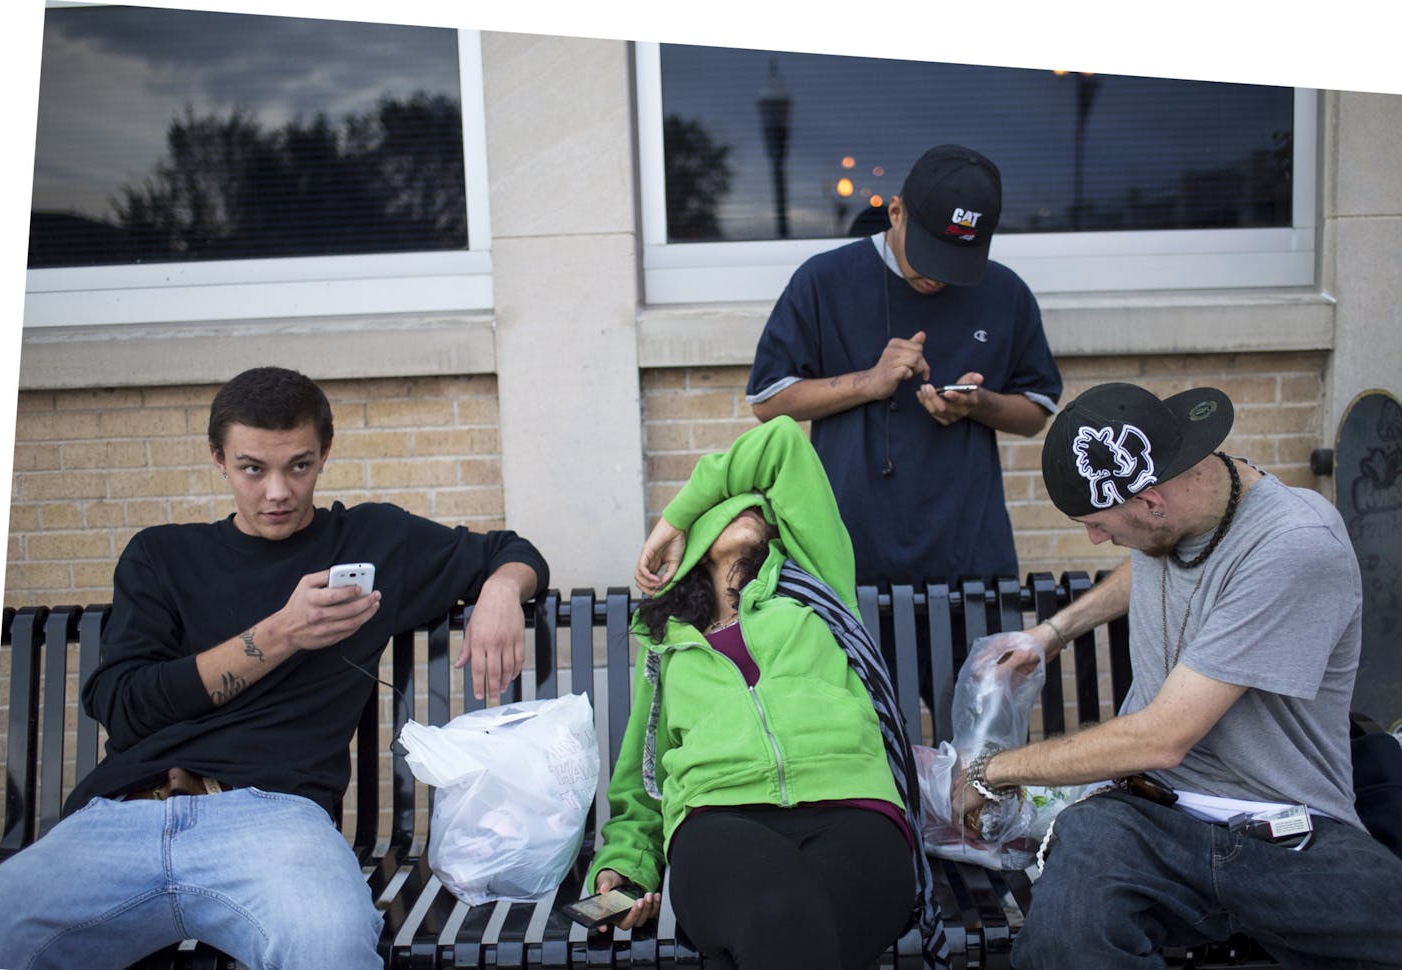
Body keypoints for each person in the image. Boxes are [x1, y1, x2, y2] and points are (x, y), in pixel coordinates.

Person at [0, 367, 549, 970]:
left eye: (298, 466)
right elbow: (123, 707)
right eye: (253, 468)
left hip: (275, 822)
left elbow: (512, 552)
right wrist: (281, 633)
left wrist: (501, 593)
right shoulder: (163, 555)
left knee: (331, 948)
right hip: (125, 815)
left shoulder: (372, 540)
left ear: (324, 455)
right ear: (219, 459)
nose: (277, 491)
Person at [952, 381, 1402, 969]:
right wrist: (1052, 633)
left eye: (1098, 523)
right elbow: (1149, 558)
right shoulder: (1179, 514)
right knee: (1066, 945)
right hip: (1142, 814)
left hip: (1289, 828)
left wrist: (992, 770)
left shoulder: (1295, 544)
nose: (1094, 537)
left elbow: (1162, 738)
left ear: (1154, 500)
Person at [587, 415, 950, 970]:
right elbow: (643, 779)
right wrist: (620, 868)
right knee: (784, 914)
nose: (753, 501)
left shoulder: (817, 583)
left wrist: (672, 516)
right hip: (719, 819)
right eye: (733, 500)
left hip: (853, 806)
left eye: (758, 500)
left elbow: (781, 443)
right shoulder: (668, 647)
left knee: (793, 929)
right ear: (698, 546)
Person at [746, 143, 1062, 590]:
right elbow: (766, 400)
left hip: (969, 557)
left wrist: (979, 404)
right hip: (846, 552)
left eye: (958, 261)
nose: (939, 275)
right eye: (929, 253)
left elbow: (1035, 414)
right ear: (896, 212)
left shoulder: (1006, 293)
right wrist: (868, 382)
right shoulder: (825, 281)